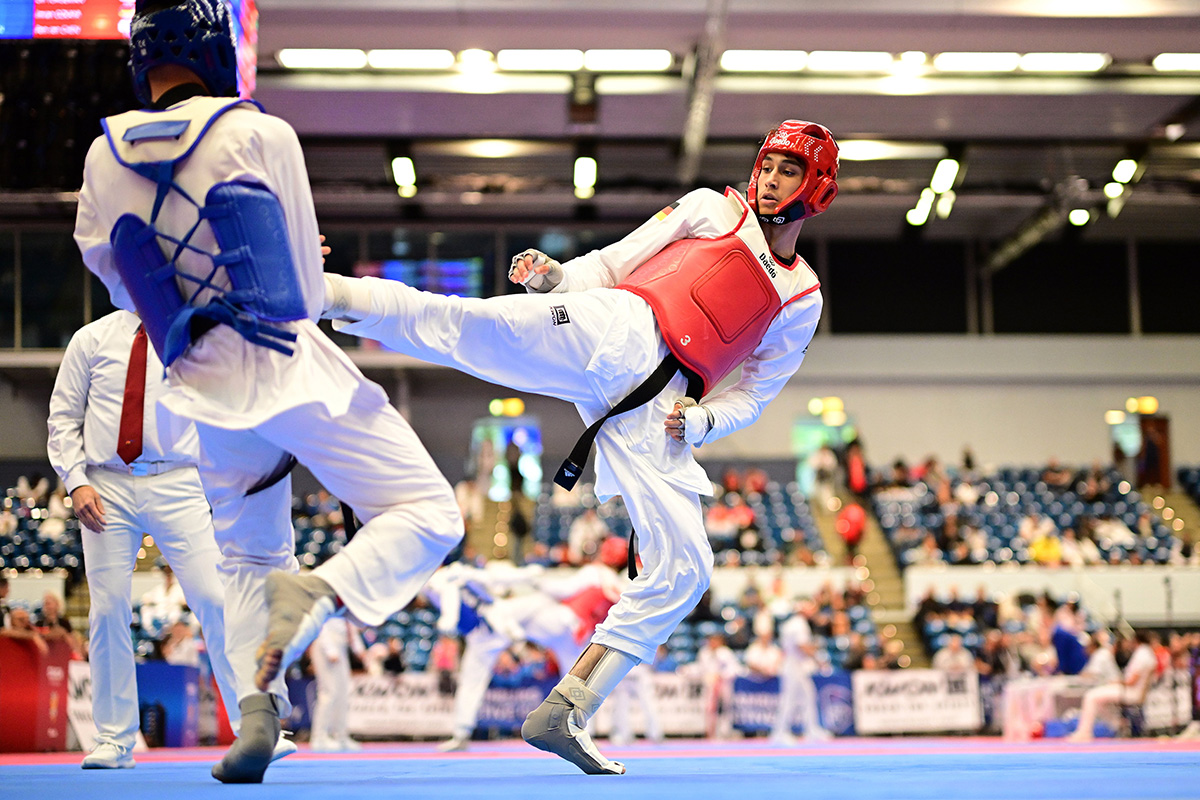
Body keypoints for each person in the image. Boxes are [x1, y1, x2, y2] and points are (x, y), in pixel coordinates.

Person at [323, 118, 836, 774]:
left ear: (817, 188)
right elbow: (613, 263)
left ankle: (567, 709)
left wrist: (704, 421)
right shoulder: (713, 208)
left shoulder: (802, 297)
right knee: (472, 325)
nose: (769, 180)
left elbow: (757, 394)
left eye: (788, 171)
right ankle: (324, 293)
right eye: (767, 165)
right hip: (620, 325)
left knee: (686, 569)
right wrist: (555, 278)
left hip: (663, 407)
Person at [72, 0, 462, 782]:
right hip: (286, 364)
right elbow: (305, 290)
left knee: (249, 553)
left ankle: (258, 713)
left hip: (198, 386)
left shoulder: (101, 156)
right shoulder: (260, 133)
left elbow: (117, 284)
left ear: (141, 62)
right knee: (429, 513)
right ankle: (319, 594)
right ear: (219, 49)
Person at [46, 308, 246, 770]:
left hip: (178, 478)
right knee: (108, 607)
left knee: (215, 597)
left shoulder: (193, 333)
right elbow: (63, 417)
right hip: (104, 483)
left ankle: (253, 724)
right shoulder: (91, 339)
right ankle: (114, 739)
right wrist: (75, 481)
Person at [432, 540, 627, 752]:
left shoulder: (596, 572)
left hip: (553, 620)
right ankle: (586, 734)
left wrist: (535, 578)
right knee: (578, 681)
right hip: (571, 632)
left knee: (523, 607)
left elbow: (562, 589)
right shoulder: (619, 586)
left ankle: (461, 732)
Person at [1069, 631, 1158, 741]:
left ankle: (1084, 732)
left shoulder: (1142, 654)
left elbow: (1131, 681)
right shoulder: (1146, 653)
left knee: (1091, 696)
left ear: (1136, 640)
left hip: (1130, 691)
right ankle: (1117, 725)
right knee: (1099, 701)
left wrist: (1115, 682)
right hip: (1131, 690)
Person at [771, 598, 831, 743]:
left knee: (808, 696)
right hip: (794, 666)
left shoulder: (793, 623)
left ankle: (812, 730)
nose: (813, 611)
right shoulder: (799, 624)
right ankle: (780, 732)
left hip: (797, 665)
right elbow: (802, 646)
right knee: (789, 699)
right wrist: (818, 659)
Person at [308, 616, 363, 752]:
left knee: (343, 692)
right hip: (325, 643)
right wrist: (329, 649)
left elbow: (349, 624)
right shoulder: (330, 601)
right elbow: (321, 620)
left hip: (341, 644)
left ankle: (341, 736)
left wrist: (358, 648)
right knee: (328, 692)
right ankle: (319, 737)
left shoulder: (347, 604)